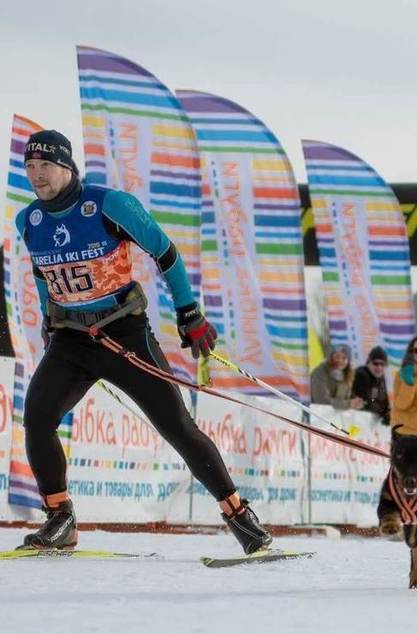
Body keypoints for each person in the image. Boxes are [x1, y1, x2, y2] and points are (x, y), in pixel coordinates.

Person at [15, 129, 270, 553]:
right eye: (30, 167)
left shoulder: (108, 205)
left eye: (45, 165)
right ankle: (60, 519)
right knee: (37, 416)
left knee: (176, 426)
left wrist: (189, 312)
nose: (36, 175)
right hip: (71, 340)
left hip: (123, 333)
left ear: (67, 166)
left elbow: (165, 252)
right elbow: (44, 276)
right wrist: (47, 320)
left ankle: (239, 515)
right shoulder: (29, 221)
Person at [310, 345, 360, 411]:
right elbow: (321, 400)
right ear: (331, 357)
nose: (340, 360)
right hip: (314, 414)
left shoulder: (347, 375)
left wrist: (356, 403)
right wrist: (348, 404)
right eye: (337, 356)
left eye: (344, 358)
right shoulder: (320, 372)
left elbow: (344, 399)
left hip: (334, 417)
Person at [351, 346, 391, 424]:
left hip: (366, 421)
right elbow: (367, 402)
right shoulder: (361, 375)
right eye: (376, 363)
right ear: (369, 362)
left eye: (382, 364)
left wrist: (388, 412)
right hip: (352, 420)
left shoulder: (379, 377)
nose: (379, 367)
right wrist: (383, 413)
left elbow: (381, 400)